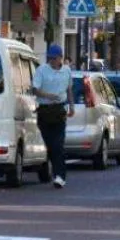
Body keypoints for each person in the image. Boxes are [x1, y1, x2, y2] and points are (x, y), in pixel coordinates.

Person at [33, 43, 74, 188]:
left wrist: (72, 106)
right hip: (44, 110)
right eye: (50, 58)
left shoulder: (67, 71)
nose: (52, 60)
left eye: (54, 58)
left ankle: (60, 176)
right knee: (49, 145)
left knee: (58, 144)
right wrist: (48, 95)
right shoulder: (41, 70)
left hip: (59, 111)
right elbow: (35, 90)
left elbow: (69, 89)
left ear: (60, 58)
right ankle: (54, 170)